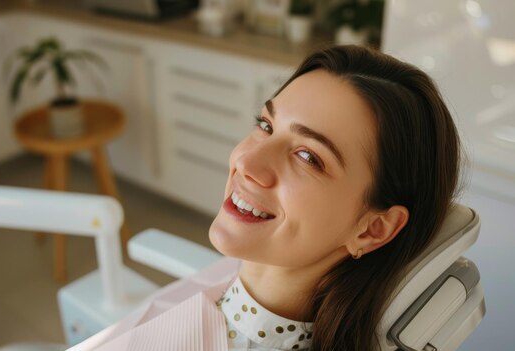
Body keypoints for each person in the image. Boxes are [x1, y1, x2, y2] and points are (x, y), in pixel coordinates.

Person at [85, 45, 464, 351]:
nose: (247, 161)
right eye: (266, 126)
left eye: (309, 157)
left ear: (373, 229)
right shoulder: (249, 274)